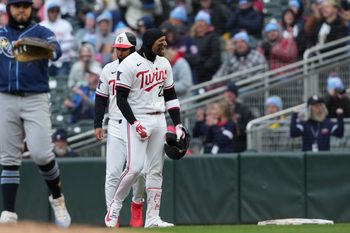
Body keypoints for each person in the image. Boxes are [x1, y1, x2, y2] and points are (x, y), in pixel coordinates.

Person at [105, 28, 185, 228]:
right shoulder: (130, 64)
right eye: (161, 42)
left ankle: (152, 218)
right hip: (138, 118)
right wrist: (134, 122)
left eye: (165, 41)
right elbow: (120, 99)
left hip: (158, 119)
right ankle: (114, 207)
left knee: (155, 171)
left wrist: (178, 124)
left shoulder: (164, 63)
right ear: (150, 43)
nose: (165, 45)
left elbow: (171, 96)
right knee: (134, 168)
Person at [0, 0, 70, 227]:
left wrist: (39, 47)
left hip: (35, 98)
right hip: (5, 97)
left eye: (25, 6)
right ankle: (8, 213)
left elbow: (56, 52)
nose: (21, 10)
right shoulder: (1, 33)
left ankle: (57, 198)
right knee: (9, 157)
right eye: (16, 5)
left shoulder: (42, 32)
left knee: (41, 154)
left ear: (32, 9)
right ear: (9, 8)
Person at [94, 32, 146, 228]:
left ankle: (137, 203)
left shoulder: (142, 67)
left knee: (139, 171)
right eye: (118, 49)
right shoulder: (109, 69)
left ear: (133, 49)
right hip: (116, 123)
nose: (120, 53)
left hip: (137, 123)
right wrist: (97, 123)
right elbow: (100, 98)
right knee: (113, 173)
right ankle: (112, 216)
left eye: (124, 49)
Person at [223, 82, 256, 152]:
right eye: (227, 92)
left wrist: (236, 124)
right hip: (224, 145)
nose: (228, 95)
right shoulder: (220, 109)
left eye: (231, 93)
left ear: (235, 95)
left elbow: (250, 128)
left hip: (239, 146)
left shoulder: (243, 109)